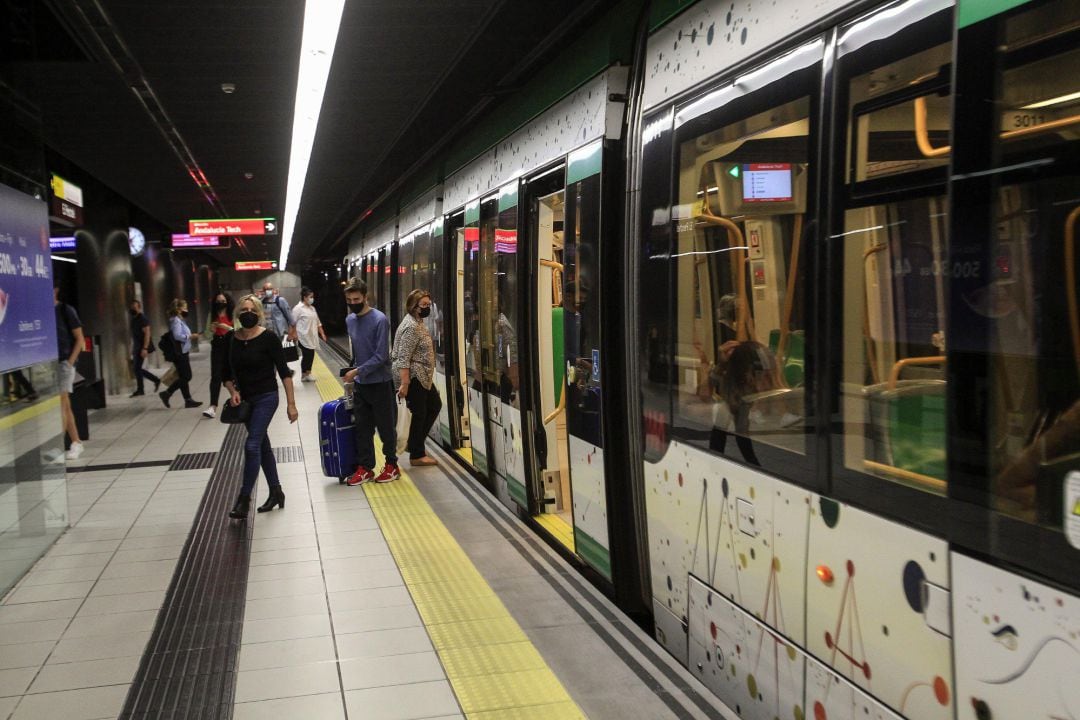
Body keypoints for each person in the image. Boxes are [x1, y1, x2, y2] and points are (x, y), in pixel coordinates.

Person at [222, 295, 298, 518]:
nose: (248, 313)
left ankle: (243, 499)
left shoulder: (269, 338)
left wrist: (291, 405)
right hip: (246, 401)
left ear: (259, 313)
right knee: (262, 445)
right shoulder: (231, 340)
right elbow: (225, 374)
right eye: (244, 310)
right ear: (238, 314)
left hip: (266, 397)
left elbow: (285, 373)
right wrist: (233, 392)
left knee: (252, 445)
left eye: (252, 310)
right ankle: (276, 491)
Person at [341, 278, 400, 485]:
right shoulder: (350, 320)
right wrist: (352, 371)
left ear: (365, 297)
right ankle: (366, 467)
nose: (353, 303)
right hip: (361, 384)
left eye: (356, 299)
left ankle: (392, 465)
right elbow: (357, 351)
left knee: (386, 428)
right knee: (362, 428)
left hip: (380, 383)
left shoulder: (379, 320)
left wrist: (357, 371)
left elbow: (382, 355)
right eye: (349, 299)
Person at [392, 289, 441, 467]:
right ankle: (416, 454)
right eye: (424, 305)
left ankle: (415, 445)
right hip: (413, 377)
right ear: (414, 307)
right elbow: (403, 357)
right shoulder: (411, 327)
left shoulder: (417, 322)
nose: (428, 308)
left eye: (429, 304)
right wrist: (405, 383)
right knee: (421, 412)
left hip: (422, 377)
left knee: (432, 407)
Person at [54, 286, 85, 459]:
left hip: (65, 361)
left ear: (56, 290)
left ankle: (59, 446)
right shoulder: (42, 310)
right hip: (51, 363)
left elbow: (80, 337)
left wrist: (70, 362)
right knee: (64, 404)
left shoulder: (66, 310)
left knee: (62, 402)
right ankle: (76, 442)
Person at [159, 299, 202, 409]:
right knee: (187, 376)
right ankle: (167, 393)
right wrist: (190, 337)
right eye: (185, 308)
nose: (186, 310)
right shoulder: (176, 321)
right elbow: (177, 335)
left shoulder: (179, 320)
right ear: (178, 309)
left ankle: (188, 400)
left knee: (183, 376)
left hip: (183, 351)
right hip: (180, 353)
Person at [203, 291, 235, 419]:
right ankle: (213, 406)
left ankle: (236, 397)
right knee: (216, 375)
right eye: (218, 301)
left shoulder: (232, 314)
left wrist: (226, 327)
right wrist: (211, 331)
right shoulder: (212, 315)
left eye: (223, 301)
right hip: (217, 345)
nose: (220, 304)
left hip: (230, 344)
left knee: (231, 374)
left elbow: (237, 330)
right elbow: (207, 335)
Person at [292, 287, 327, 382]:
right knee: (308, 354)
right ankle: (305, 374)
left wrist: (322, 333)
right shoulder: (298, 308)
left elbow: (318, 322)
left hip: (312, 336)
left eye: (312, 297)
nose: (312, 299)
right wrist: (293, 334)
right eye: (310, 297)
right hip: (302, 336)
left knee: (310, 355)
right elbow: (293, 322)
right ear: (304, 297)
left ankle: (306, 373)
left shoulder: (312, 308)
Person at [128, 299, 161, 397]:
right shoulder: (134, 319)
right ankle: (141, 389)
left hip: (141, 347)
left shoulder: (143, 319)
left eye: (134, 307)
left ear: (139, 307)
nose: (132, 309)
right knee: (136, 368)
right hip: (137, 347)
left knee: (137, 368)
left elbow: (147, 334)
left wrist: (145, 348)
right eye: (131, 307)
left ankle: (155, 380)